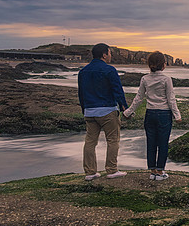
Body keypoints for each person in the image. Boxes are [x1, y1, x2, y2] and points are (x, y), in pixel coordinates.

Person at [123, 51, 181, 181]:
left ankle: (153, 171)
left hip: (150, 114)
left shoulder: (145, 78)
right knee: (163, 143)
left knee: (151, 142)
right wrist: (177, 115)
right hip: (164, 114)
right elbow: (171, 99)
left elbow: (139, 98)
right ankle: (160, 172)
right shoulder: (166, 79)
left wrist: (128, 112)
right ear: (163, 65)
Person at [78, 43, 128, 180]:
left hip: (89, 111)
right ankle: (111, 170)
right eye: (110, 53)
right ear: (104, 55)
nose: (111, 56)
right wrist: (124, 107)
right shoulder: (110, 70)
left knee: (90, 142)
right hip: (107, 111)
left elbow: (81, 94)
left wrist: (85, 109)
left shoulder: (83, 71)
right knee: (112, 140)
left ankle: (90, 172)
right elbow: (117, 90)